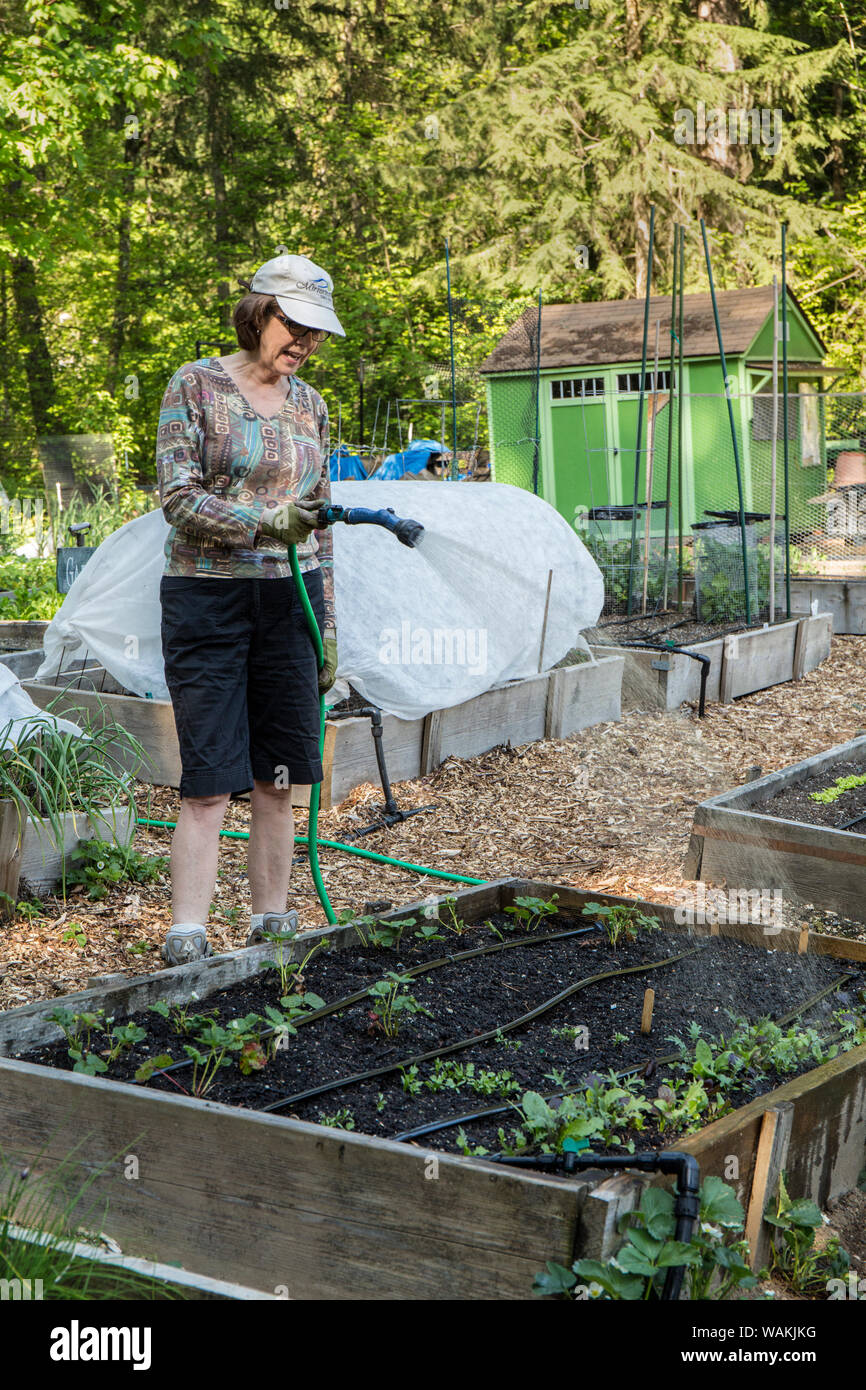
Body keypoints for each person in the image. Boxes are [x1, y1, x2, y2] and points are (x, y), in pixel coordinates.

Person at [155, 254, 344, 965]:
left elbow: (319, 526)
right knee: (209, 777)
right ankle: (187, 936)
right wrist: (264, 526)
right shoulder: (196, 385)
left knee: (282, 775)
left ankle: (272, 928)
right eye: (295, 325)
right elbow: (177, 498)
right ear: (259, 313)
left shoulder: (311, 405)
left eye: (316, 333)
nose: (305, 343)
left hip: (289, 601)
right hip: (207, 599)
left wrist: (326, 630)